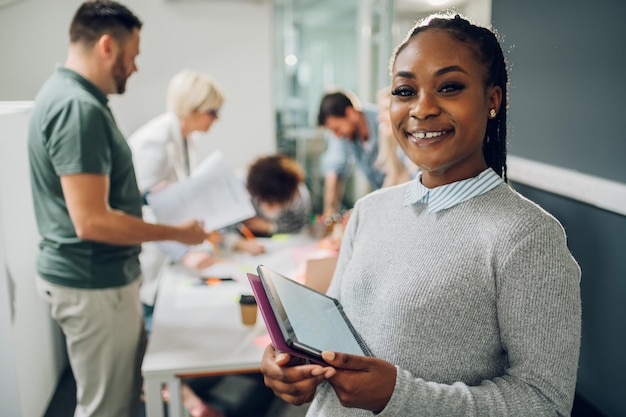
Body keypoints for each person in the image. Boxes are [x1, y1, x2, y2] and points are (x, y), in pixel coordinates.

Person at [260, 13, 581, 416]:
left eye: (449, 87)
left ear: (493, 100)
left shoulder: (528, 236)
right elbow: (335, 339)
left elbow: (544, 404)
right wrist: (296, 367)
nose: (422, 108)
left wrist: (401, 396)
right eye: (405, 91)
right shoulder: (369, 211)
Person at [27, 2, 210, 417]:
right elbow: (91, 221)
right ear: (108, 46)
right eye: (134, 55)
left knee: (123, 398)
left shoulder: (69, 96)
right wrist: (178, 233)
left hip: (95, 279)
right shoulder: (79, 108)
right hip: (94, 281)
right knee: (106, 408)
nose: (137, 67)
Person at [127, 69, 232, 417]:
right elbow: (144, 214)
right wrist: (185, 253)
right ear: (193, 107)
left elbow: (179, 198)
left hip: (168, 251)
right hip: (149, 256)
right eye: (212, 112)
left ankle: (183, 396)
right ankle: (180, 399)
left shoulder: (186, 138)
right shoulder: (153, 143)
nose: (216, 120)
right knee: (154, 338)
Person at [222, 154, 312, 254]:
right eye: (267, 201)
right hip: (243, 248)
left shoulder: (297, 194)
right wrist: (240, 243)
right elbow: (222, 228)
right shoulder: (241, 189)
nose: (270, 206)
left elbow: (300, 224)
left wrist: (270, 227)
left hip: (279, 247)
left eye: (275, 202)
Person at [317, 90, 385, 219]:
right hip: (382, 197)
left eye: (337, 129)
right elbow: (334, 170)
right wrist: (330, 212)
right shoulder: (344, 136)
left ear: (350, 113)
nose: (337, 135)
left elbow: (399, 174)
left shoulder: (383, 121)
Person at [374, 86, 419, 187]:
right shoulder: (399, 147)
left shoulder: (419, 146)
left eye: (386, 109)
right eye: (380, 111)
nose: (380, 118)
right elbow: (394, 176)